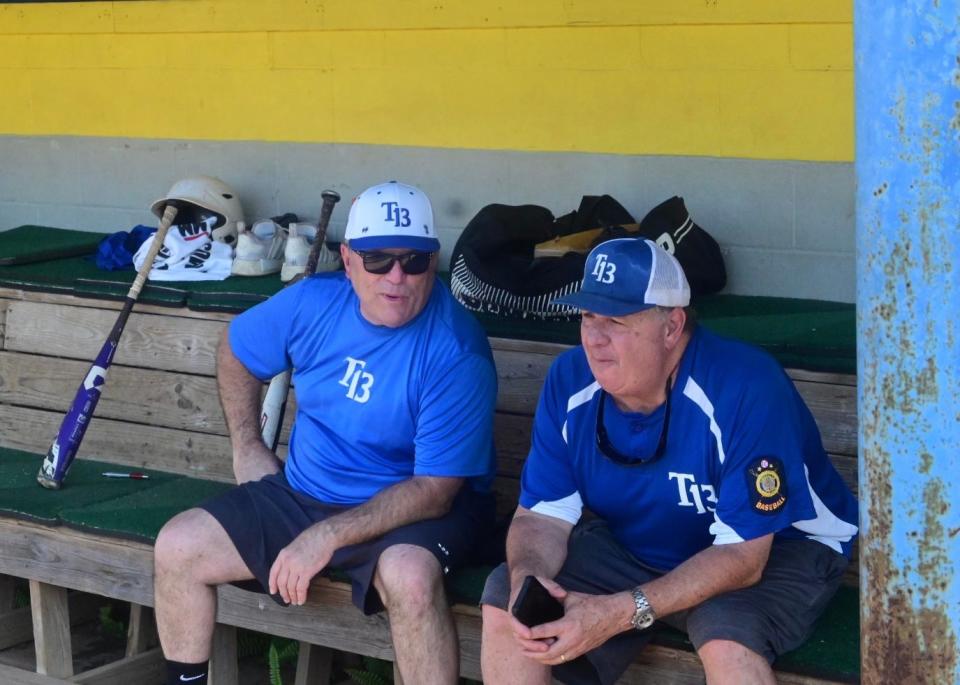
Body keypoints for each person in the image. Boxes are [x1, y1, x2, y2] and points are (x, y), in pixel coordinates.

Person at [154, 181, 498, 685]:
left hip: (412, 509)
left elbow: (434, 492)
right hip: (306, 493)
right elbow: (235, 350)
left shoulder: (456, 351)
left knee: (410, 578)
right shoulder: (311, 303)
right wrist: (247, 445)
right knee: (179, 546)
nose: (396, 277)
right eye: (378, 259)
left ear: (434, 260)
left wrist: (325, 536)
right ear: (349, 259)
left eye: (415, 260)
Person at [480, 238, 858, 685]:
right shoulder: (570, 379)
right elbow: (542, 517)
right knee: (509, 596)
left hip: (778, 548)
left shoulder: (744, 386)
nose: (594, 338)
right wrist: (532, 579)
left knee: (727, 641)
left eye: (616, 320)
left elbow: (743, 556)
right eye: (587, 316)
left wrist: (624, 610)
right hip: (642, 544)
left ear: (672, 326)